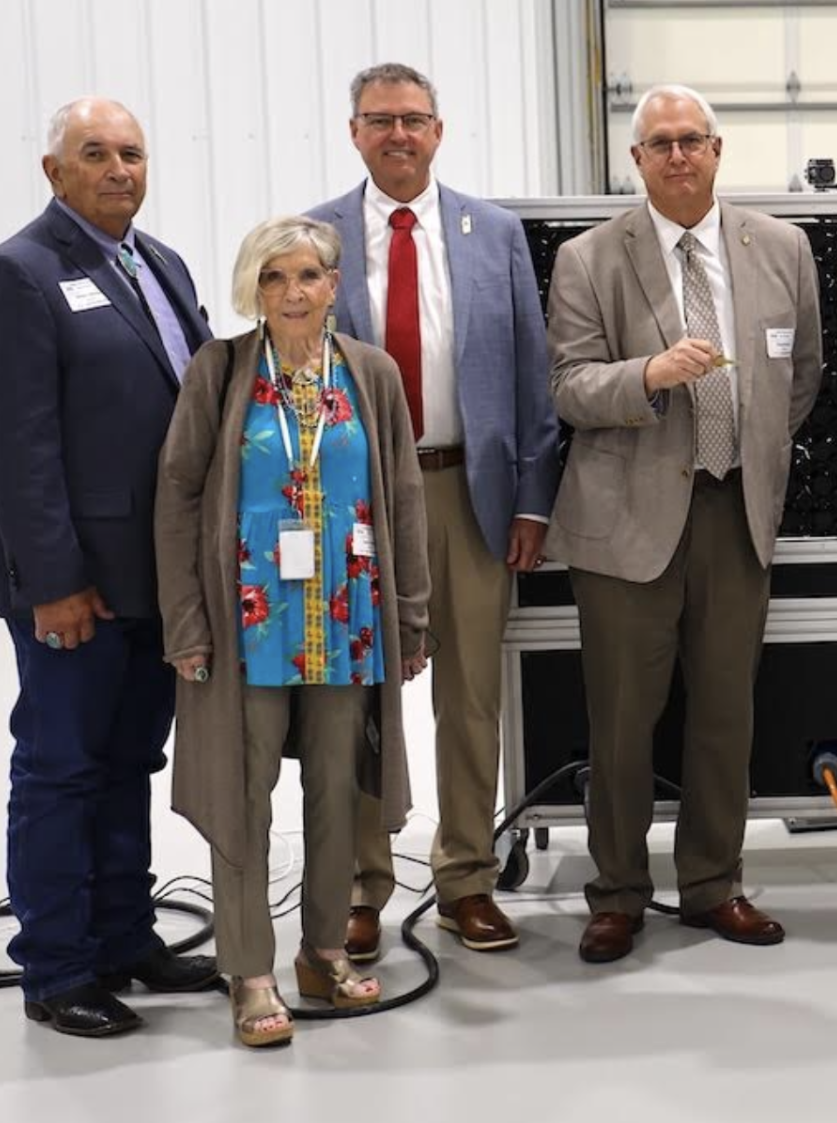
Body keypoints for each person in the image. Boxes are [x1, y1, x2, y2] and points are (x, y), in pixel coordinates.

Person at [0, 96, 220, 1038]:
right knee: (62, 768)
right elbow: (14, 448)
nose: (118, 170)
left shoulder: (161, 263)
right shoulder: (17, 274)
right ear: (54, 171)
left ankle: (123, 940)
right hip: (76, 583)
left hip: (155, 573)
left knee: (127, 761)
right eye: (96, 153)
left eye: (132, 154)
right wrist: (55, 582)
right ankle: (58, 967)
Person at [545, 83, 823, 963]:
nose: (677, 155)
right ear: (636, 159)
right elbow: (568, 389)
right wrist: (650, 375)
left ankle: (713, 884)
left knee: (725, 717)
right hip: (625, 522)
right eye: (659, 143)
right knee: (622, 724)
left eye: (691, 140)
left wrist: (748, 449)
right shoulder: (590, 259)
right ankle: (617, 895)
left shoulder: (781, 247)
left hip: (735, 511)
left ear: (717, 149)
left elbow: (800, 376)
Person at [156, 216, 431, 1047]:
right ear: (255, 288)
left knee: (337, 793)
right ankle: (249, 971)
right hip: (248, 621)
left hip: (346, 617)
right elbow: (179, 497)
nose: (292, 292)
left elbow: (404, 498)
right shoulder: (220, 370)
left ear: (333, 284)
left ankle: (322, 951)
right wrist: (186, 622)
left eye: (307, 275)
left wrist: (411, 615)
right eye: (273, 277)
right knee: (243, 795)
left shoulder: (371, 373)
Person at [308, 62, 561, 959]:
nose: (399, 135)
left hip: (470, 493)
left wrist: (533, 501)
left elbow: (533, 377)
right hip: (360, 500)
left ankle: (466, 880)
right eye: (380, 120)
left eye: (413, 119)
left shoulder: (494, 234)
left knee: (471, 698)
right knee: (359, 698)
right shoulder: (316, 236)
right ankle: (362, 886)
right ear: (354, 133)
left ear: (439, 131)